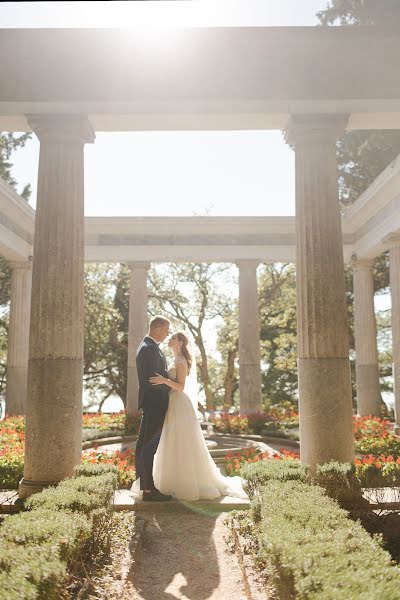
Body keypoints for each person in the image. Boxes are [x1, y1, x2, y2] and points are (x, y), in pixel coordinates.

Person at [149, 331, 248, 501]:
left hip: (179, 403)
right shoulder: (175, 360)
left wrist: (164, 381)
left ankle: (185, 482)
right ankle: (171, 479)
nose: (169, 339)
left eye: (172, 338)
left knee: (181, 440)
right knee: (171, 440)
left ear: (179, 342)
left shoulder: (181, 362)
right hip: (172, 402)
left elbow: (180, 386)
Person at [135, 316, 173, 502]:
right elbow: (151, 380)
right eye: (166, 330)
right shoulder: (149, 349)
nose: (167, 334)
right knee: (148, 446)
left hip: (153, 404)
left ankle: (146, 487)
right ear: (157, 328)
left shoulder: (151, 347)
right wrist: (172, 385)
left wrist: (166, 380)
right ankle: (149, 491)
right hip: (154, 404)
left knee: (144, 445)